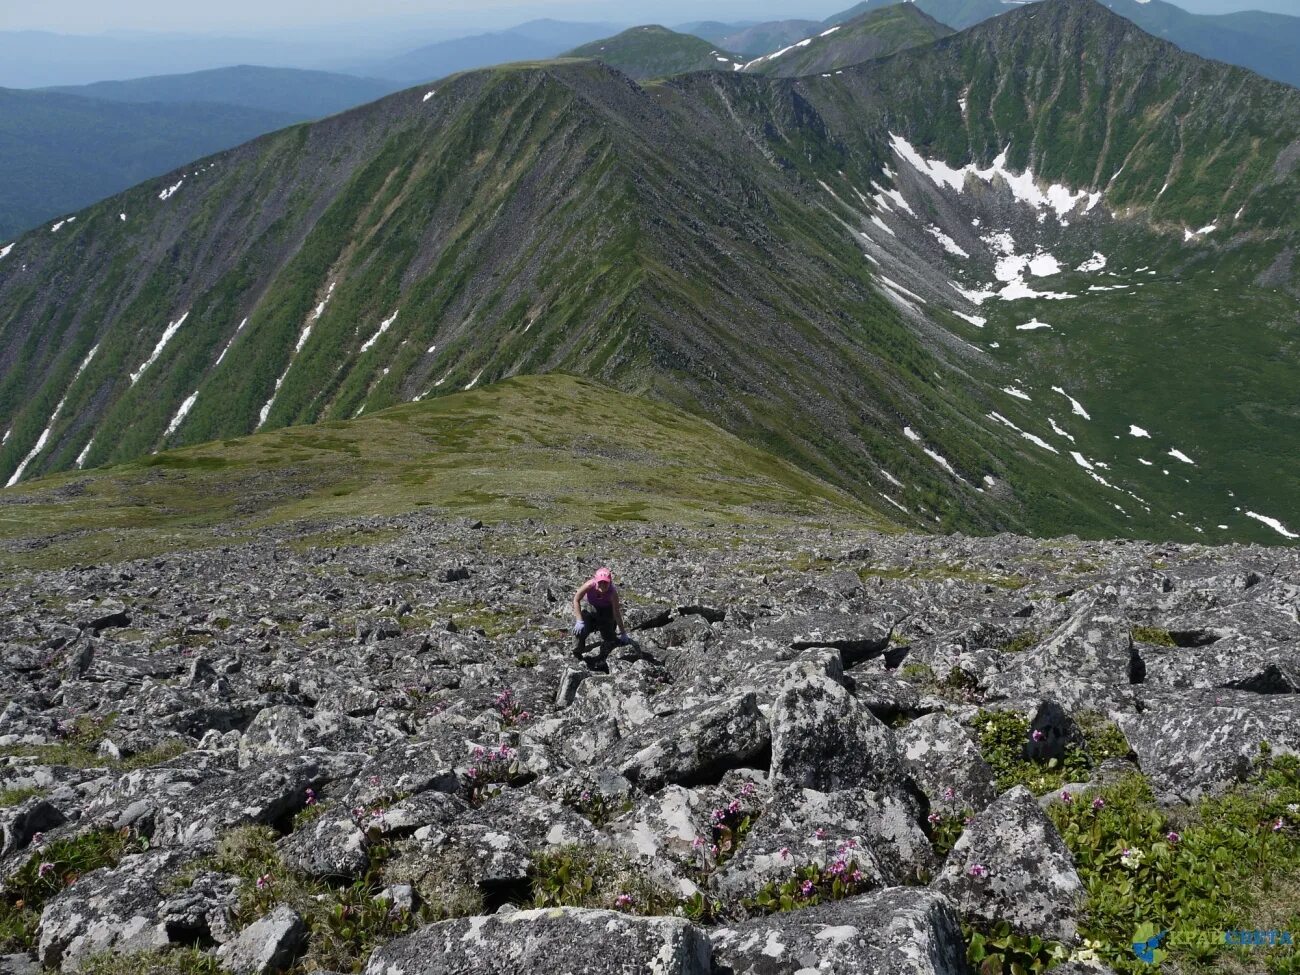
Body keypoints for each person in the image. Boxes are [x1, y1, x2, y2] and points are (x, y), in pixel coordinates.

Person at [572, 566, 630, 656]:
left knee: (609, 638)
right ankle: (578, 650)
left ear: (609, 582)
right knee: (581, 630)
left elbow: (616, 612)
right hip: (590, 608)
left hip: (606, 611)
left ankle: (611, 628)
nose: (602, 585)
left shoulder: (612, 593)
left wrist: (623, 633)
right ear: (596, 581)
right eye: (600, 582)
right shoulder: (589, 585)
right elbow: (576, 599)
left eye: (605, 583)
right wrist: (579, 620)